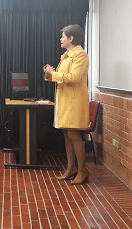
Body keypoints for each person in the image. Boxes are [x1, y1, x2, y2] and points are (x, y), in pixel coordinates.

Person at [43, 24, 90, 185]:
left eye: (63, 36)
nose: (60, 39)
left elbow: (73, 77)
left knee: (73, 134)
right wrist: (49, 74)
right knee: (66, 134)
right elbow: (61, 76)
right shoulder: (66, 55)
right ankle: (71, 169)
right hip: (65, 100)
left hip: (74, 102)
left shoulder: (81, 55)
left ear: (71, 38)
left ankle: (83, 171)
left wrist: (54, 74)